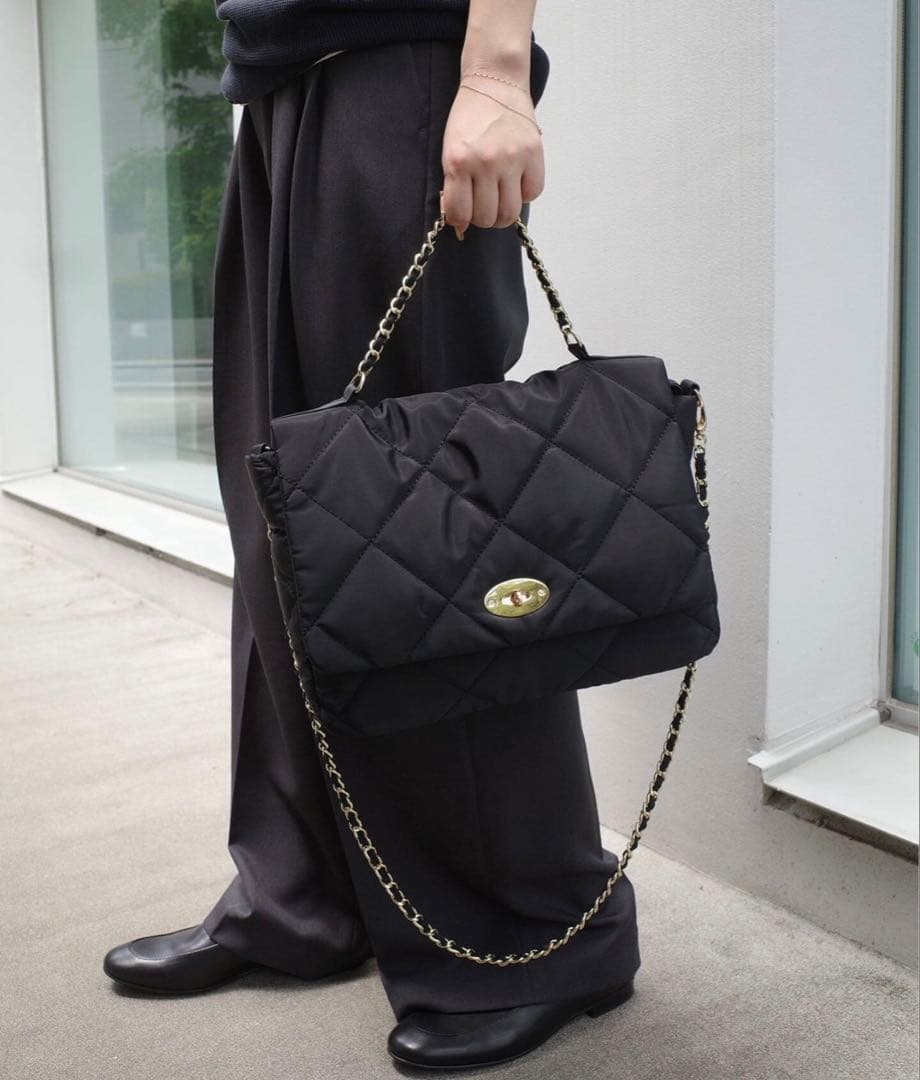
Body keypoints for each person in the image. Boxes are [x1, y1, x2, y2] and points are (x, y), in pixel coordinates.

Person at [103, 1, 641, 1069]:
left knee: (434, 534)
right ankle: (305, 893)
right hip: (283, 86)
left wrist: (495, 72)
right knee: (288, 523)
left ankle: (541, 937)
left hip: (401, 73)